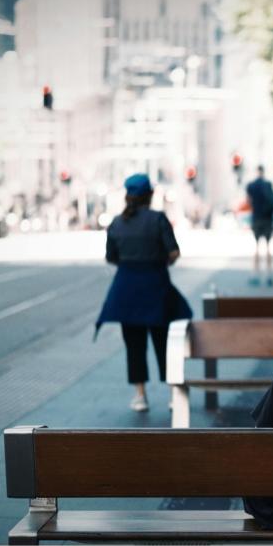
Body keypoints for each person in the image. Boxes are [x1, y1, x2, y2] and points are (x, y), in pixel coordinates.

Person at [95, 173, 193, 412]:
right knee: (163, 342)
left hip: (126, 290)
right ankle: (172, 394)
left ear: (127, 196)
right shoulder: (158, 219)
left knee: (134, 345)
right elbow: (173, 253)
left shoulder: (117, 223)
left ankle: (140, 396)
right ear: (149, 195)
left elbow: (111, 257)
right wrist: (158, 263)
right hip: (156, 287)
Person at [246, 164, 273, 286]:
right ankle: (270, 275)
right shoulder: (268, 184)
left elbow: (248, 202)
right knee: (269, 247)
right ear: (263, 172)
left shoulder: (251, 186)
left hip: (257, 219)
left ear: (256, 172)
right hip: (268, 220)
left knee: (257, 247)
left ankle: (255, 275)